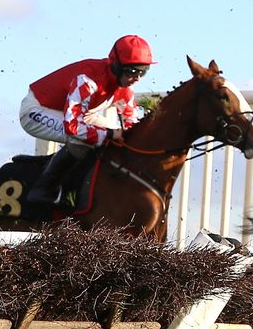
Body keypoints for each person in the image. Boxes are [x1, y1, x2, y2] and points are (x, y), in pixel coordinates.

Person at [19, 35, 156, 205]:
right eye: (132, 72)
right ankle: (44, 188)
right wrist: (110, 134)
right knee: (89, 138)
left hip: (76, 114)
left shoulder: (125, 90)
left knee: (115, 135)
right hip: (36, 111)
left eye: (143, 72)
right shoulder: (87, 79)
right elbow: (73, 127)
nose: (137, 78)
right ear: (116, 66)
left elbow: (132, 127)